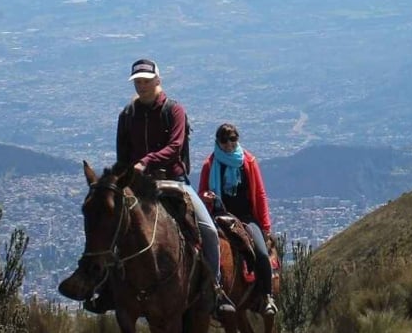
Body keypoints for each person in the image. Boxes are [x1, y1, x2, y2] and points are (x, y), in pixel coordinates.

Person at [87, 57, 234, 315]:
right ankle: (105, 288)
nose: (141, 86)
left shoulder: (174, 110)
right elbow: (123, 154)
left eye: (145, 81)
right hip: (137, 186)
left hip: (172, 181)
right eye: (137, 82)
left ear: (158, 80)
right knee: (108, 225)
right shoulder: (128, 115)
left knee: (208, 230)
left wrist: (146, 161)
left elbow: (175, 147)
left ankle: (215, 289)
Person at [198, 122, 278, 317]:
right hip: (219, 215)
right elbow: (201, 191)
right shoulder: (210, 165)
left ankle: (267, 296)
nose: (229, 144)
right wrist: (206, 197)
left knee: (260, 252)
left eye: (232, 140)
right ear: (218, 142)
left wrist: (265, 225)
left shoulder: (248, 162)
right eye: (224, 141)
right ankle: (208, 294)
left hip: (245, 217)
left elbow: (259, 193)